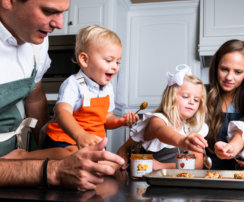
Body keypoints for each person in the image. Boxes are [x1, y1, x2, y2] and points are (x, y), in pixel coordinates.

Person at [0, 0, 124, 190]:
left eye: (62, 12)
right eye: (48, 11)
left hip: (14, 162)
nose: (59, 24)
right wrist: (52, 170)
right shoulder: (75, 84)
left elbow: (34, 96)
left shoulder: (36, 42)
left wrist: (47, 151)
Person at [41, 25, 139, 156]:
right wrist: (80, 135)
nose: (115, 67)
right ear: (85, 60)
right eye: (109, 60)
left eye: (117, 62)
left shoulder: (108, 88)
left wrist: (120, 121)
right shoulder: (73, 83)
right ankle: (25, 157)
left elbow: (106, 118)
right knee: (71, 154)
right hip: (63, 140)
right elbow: (62, 112)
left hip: (91, 143)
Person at [118, 65, 208, 170]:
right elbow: (160, 131)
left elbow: (197, 166)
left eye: (196, 100)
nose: (192, 102)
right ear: (171, 98)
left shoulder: (193, 128)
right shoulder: (158, 119)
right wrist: (183, 141)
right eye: (185, 96)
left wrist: (162, 167)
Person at [206, 39, 244, 170]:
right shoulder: (199, 95)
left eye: (238, 72)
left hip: (238, 175)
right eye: (224, 69)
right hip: (203, 173)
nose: (229, 77)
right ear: (216, 67)